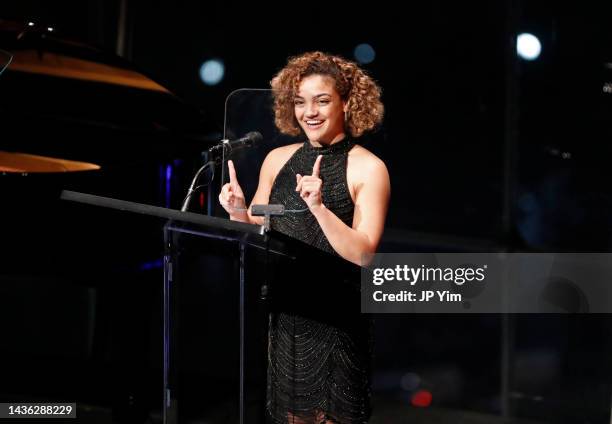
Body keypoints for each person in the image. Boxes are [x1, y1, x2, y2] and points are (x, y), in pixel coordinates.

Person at [219, 51, 390, 424]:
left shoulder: (369, 168)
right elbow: (257, 230)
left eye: (322, 100)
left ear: (347, 102)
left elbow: (364, 254)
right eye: (300, 102)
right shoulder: (277, 159)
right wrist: (237, 211)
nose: (309, 112)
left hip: (336, 320)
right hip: (288, 315)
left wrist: (318, 207)